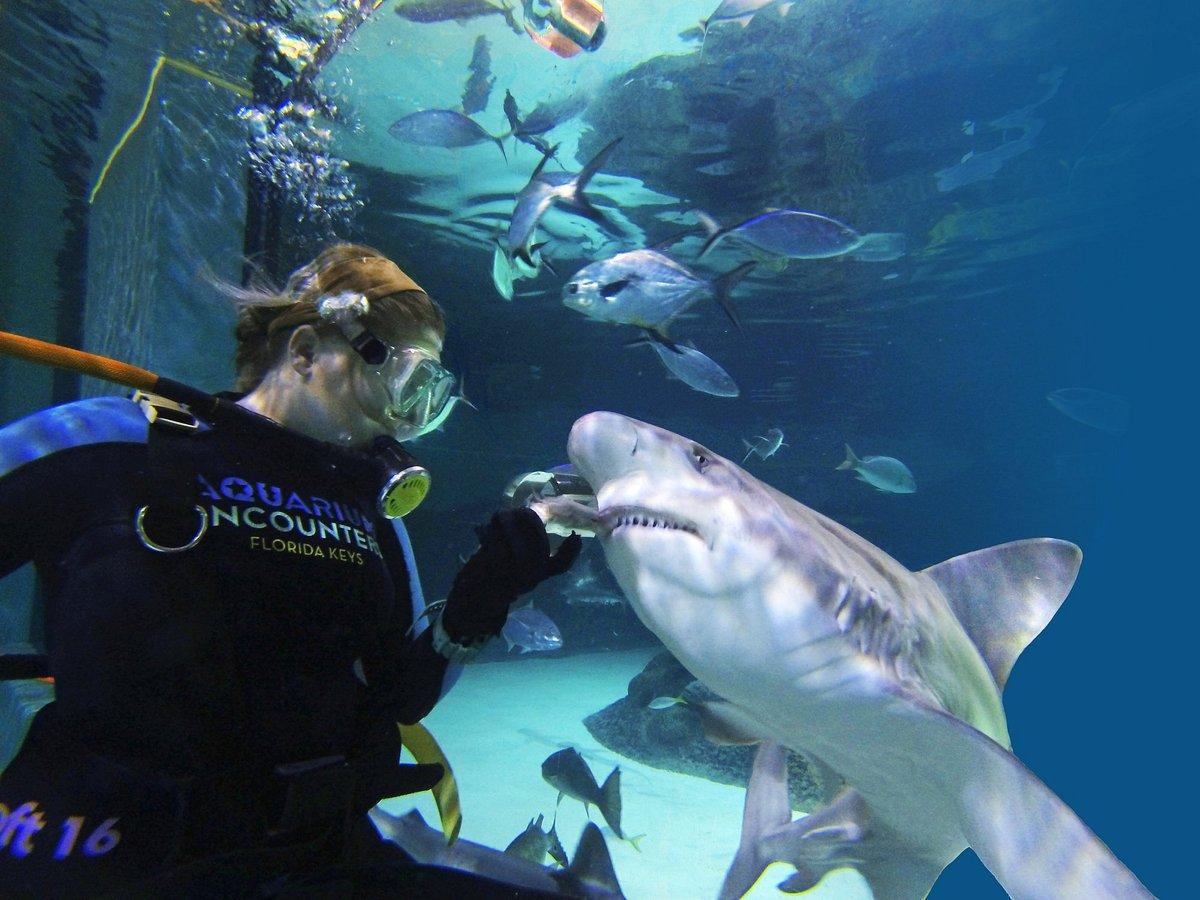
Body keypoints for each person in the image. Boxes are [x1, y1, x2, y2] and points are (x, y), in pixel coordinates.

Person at [0, 243, 581, 896]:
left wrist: (482, 598)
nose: (407, 419)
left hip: (315, 855)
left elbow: (401, 696)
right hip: (104, 856)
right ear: (305, 352)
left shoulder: (370, 512)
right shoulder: (110, 443)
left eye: (431, 398)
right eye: (408, 383)